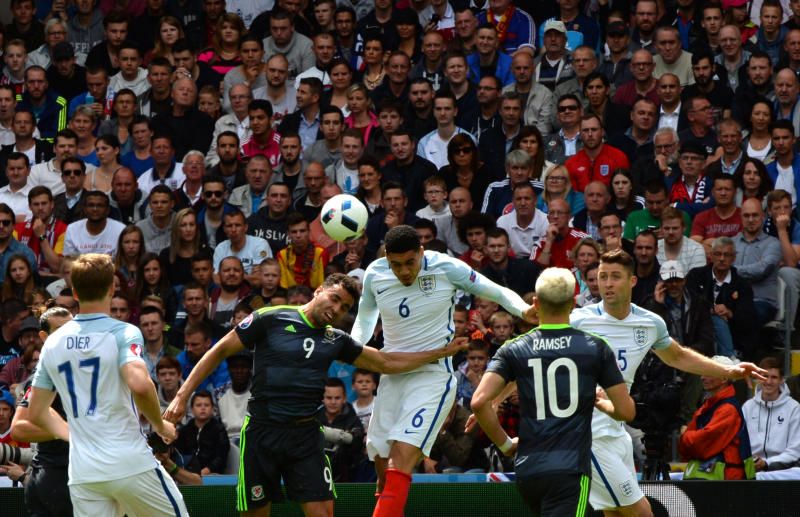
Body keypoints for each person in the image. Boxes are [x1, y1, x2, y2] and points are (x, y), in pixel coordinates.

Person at [164, 272, 469, 515]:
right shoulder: (271, 318)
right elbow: (218, 351)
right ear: (318, 291)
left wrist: (439, 353)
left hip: (306, 437)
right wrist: (181, 396)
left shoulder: (336, 340)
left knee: (323, 512)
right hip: (261, 434)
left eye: (344, 307)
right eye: (334, 299)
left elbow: (386, 362)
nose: (336, 309)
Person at [350, 225, 536, 517]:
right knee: (383, 466)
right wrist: (350, 348)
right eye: (396, 264)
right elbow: (365, 319)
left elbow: (495, 290)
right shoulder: (376, 273)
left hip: (431, 378)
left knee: (400, 459)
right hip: (392, 376)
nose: (404, 271)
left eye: (410, 262)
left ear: (421, 252)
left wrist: (523, 310)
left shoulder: (446, 267)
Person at [570, 250, 765, 516]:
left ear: (632, 281)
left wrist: (730, 370)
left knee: (615, 513)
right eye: (603, 277)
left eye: (615, 277)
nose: (607, 283)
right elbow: (541, 350)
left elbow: (678, 356)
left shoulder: (650, 323)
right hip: (589, 433)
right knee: (642, 513)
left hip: (617, 432)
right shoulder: (578, 320)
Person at [23, 253, 189, 515]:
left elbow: (35, 412)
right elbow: (140, 385)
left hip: (84, 472)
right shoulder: (123, 332)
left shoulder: (52, 342)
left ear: (74, 292)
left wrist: (74, 434)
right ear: (112, 287)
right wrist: (161, 425)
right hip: (129, 462)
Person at [472, 267, 634, 516]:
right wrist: (601, 404)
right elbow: (626, 411)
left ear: (536, 304)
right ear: (572, 304)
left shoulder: (514, 348)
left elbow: (479, 402)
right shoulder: (595, 347)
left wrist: (505, 445)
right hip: (570, 470)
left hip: (529, 470)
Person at [8, 306, 73, 517]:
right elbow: (19, 429)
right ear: (45, 337)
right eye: (61, 331)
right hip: (54, 477)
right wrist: (69, 431)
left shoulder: (84, 366)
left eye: (72, 329)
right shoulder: (45, 373)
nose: (69, 336)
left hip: (83, 473)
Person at [679, 355, 756, 480]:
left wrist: (684, 436)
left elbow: (700, 444)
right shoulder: (709, 405)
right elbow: (686, 448)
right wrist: (688, 438)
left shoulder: (728, 410)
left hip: (725, 483)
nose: (702, 377)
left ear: (724, 378)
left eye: (709, 373)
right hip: (713, 480)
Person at [742, 357, 800, 479]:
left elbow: (795, 450)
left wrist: (766, 463)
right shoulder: (748, 407)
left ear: (781, 380)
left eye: (774, 377)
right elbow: (740, 444)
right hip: (751, 467)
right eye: (764, 376)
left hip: (783, 469)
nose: (768, 381)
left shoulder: (794, 408)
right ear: (758, 378)